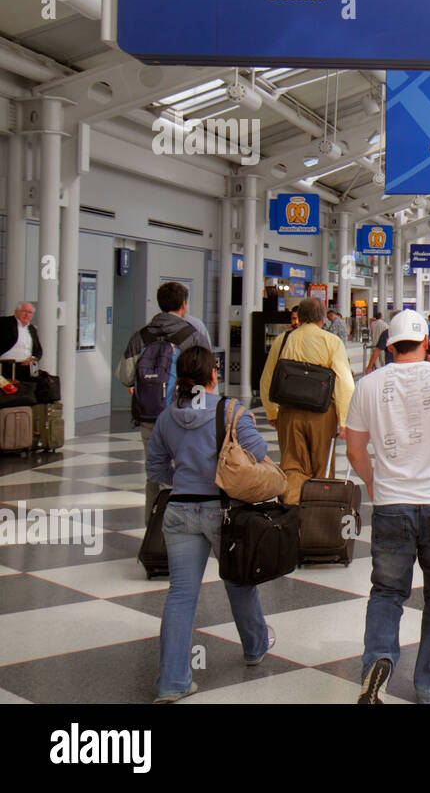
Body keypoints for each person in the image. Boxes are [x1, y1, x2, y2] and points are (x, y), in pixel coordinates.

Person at [346, 310, 430, 704]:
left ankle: (378, 661)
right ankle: (429, 682)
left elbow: (354, 449)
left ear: (389, 346)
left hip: (391, 504)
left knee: (387, 592)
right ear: (428, 343)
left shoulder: (368, 385)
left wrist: (375, 485)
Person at [146, 346, 274, 702]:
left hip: (179, 511)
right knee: (238, 580)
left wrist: (183, 476)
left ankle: (173, 682)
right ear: (212, 375)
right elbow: (259, 452)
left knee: (181, 595)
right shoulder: (229, 410)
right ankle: (255, 646)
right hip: (224, 513)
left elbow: (155, 469)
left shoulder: (167, 416)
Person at [117, 282, 214, 526]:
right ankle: (183, 530)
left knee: (155, 474)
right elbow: (206, 380)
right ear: (184, 304)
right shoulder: (194, 335)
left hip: (150, 417)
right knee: (188, 471)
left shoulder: (141, 336)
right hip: (185, 416)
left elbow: (124, 375)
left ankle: (154, 533)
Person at [260, 297, 355, 504]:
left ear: (300, 317)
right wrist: (344, 421)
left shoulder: (283, 340)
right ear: (323, 318)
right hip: (322, 413)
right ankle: (317, 518)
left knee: (292, 467)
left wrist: (272, 412)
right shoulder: (331, 342)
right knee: (322, 468)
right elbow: (344, 383)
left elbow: (267, 378)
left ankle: (292, 519)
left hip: (289, 412)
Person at [0, 301, 41, 383]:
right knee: (7, 393)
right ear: (16, 312)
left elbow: (38, 350)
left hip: (26, 369)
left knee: (26, 393)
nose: (27, 315)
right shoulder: (4, 322)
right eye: (24, 311)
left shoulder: (32, 329)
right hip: (5, 367)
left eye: (30, 312)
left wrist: (32, 358)